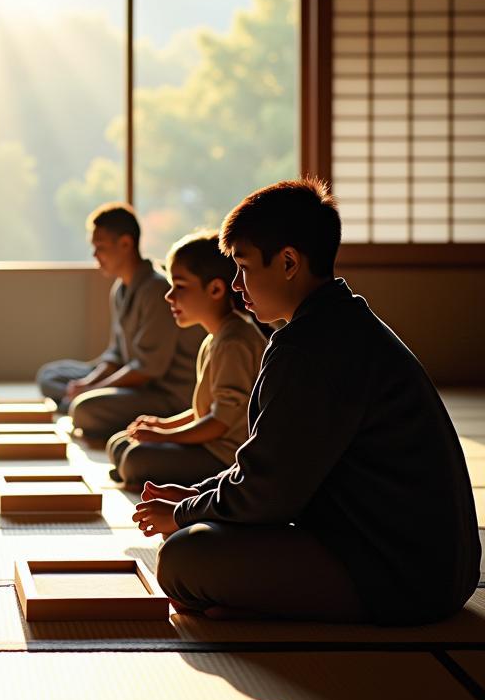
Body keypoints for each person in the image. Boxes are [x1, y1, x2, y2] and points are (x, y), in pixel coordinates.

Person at [135, 178, 480, 625]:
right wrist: (196, 495)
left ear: (289, 262)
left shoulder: (311, 348)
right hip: (429, 564)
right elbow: (272, 466)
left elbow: (269, 494)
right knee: (198, 537)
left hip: (397, 573)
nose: (237, 285)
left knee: (184, 557)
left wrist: (182, 513)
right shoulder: (338, 324)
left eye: (243, 267)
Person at [108, 231, 267, 487]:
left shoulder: (234, 342)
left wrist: (163, 436)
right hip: (209, 443)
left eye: (180, 286)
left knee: (134, 457)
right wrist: (162, 425)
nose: (169, 296)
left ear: (215, 289)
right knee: (119, 444)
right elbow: (202, 411)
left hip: (226, 456)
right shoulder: (215, 338)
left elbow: (219, 423)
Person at [36, 203, 204, 443]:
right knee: (50, 374)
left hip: (160, 392)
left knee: (85, 409)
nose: (95, 255)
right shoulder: (120, 289)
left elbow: (147, 369)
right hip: (127, 378)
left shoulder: (157, 290)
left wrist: (93, 390)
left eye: (100, 247)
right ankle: (75, 401)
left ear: (126, 243)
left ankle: (77, 406)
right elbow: (115, 355)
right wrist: (87, 383)